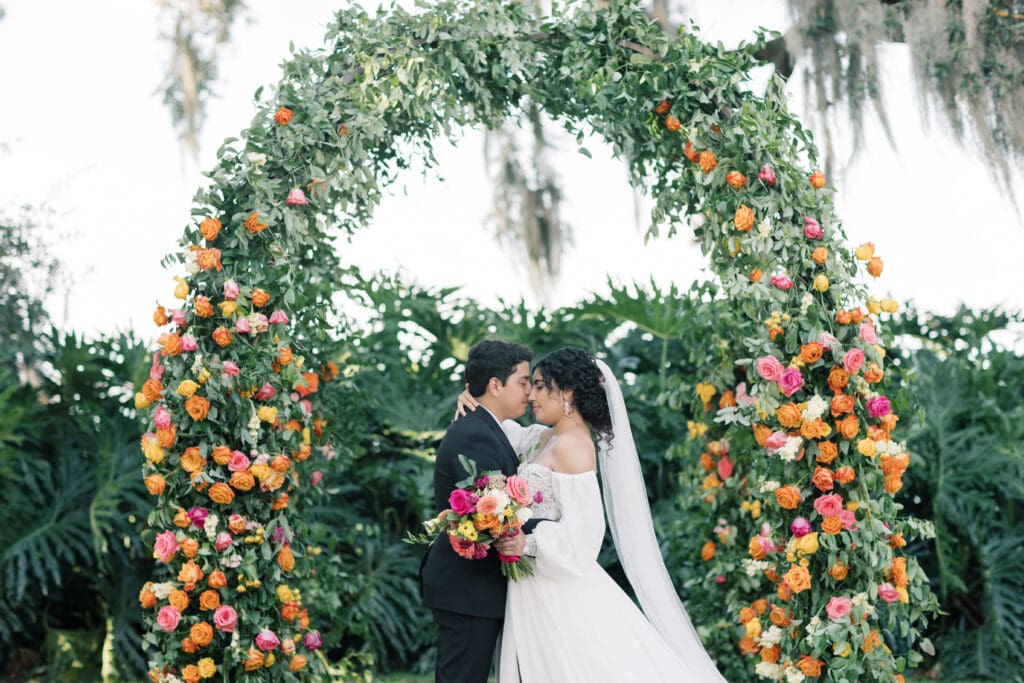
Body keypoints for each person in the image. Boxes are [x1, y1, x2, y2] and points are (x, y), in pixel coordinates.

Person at [457, 346, 726, 682]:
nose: (531, 395)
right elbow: (502, 433)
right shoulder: (549, 437)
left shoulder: (574, 447)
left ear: (567, 392)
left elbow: (585, 536)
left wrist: (527, 542)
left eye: (540, 386)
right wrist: (474, 402)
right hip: (535, 582)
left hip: (557, 585)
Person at [419, 339, 537, 683]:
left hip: (475, 590)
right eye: (523, 381)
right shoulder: (475, 435)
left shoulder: (486, 427)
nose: (529, 392)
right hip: (469, 590)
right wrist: (553, 532)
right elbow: (495, 516)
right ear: (496, 385)